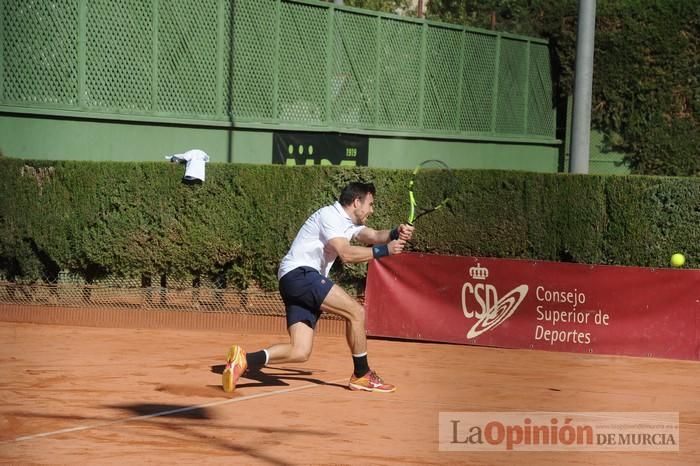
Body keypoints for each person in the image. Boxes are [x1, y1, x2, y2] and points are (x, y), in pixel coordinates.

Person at [223, 181, 414, 393]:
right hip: (301, 274)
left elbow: (374, 235)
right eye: (370, 204)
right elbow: (347, 254)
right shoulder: (330, 216)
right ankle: (362, 374)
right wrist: (383, 251)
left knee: (300, 351)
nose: (372, 209)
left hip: (292, 281)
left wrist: (397, 232)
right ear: (356, 202)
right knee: (356, 312)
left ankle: (244, 360)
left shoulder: (347, 224)